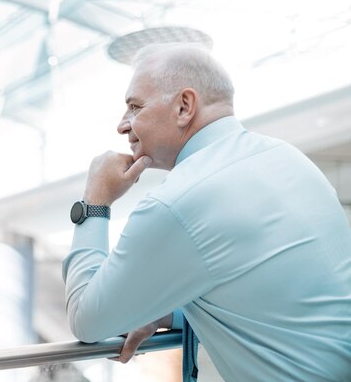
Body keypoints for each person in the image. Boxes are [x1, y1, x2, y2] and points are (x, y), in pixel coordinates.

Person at [62, 43, 351, 381]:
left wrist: (95, 202)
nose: (123, 125)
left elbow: (86, 319)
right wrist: (168, 314)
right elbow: (277, 297)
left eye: (134, 107)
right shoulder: (289, 159)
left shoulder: (178, 201)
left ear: (184, 106)